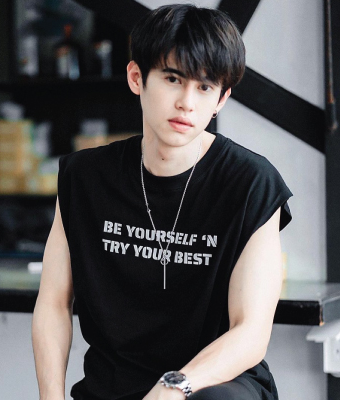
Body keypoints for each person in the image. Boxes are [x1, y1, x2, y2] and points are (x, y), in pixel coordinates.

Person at [32, 4, 293, 400]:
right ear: (137, 78)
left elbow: (251, 332)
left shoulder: (250, 183)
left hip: (211, 386)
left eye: (205, 87)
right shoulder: (85, 178)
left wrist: (175, 387)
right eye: (173, 79)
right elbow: (53, 303)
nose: (187, 102)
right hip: (112, 387)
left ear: (221, 99)